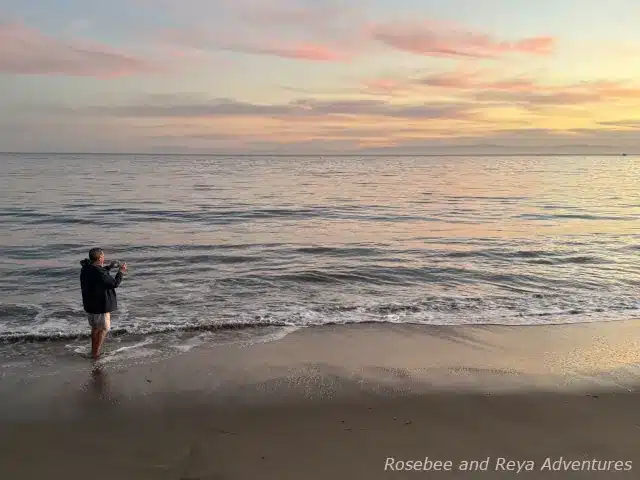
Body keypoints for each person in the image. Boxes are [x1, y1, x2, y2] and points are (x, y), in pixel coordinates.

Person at [80, 248, 127, 360]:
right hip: (100, 305)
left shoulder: (86, 268)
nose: (104, 258)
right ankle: (96, 354)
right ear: (100, 258)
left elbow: (99, 273)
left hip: (90, 304)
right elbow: (114, 283)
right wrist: (121, 271)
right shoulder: (99, 272)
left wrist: (109, 267)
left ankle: (93, 350)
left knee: (95, 328)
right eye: (103, 256)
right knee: (104, 329)